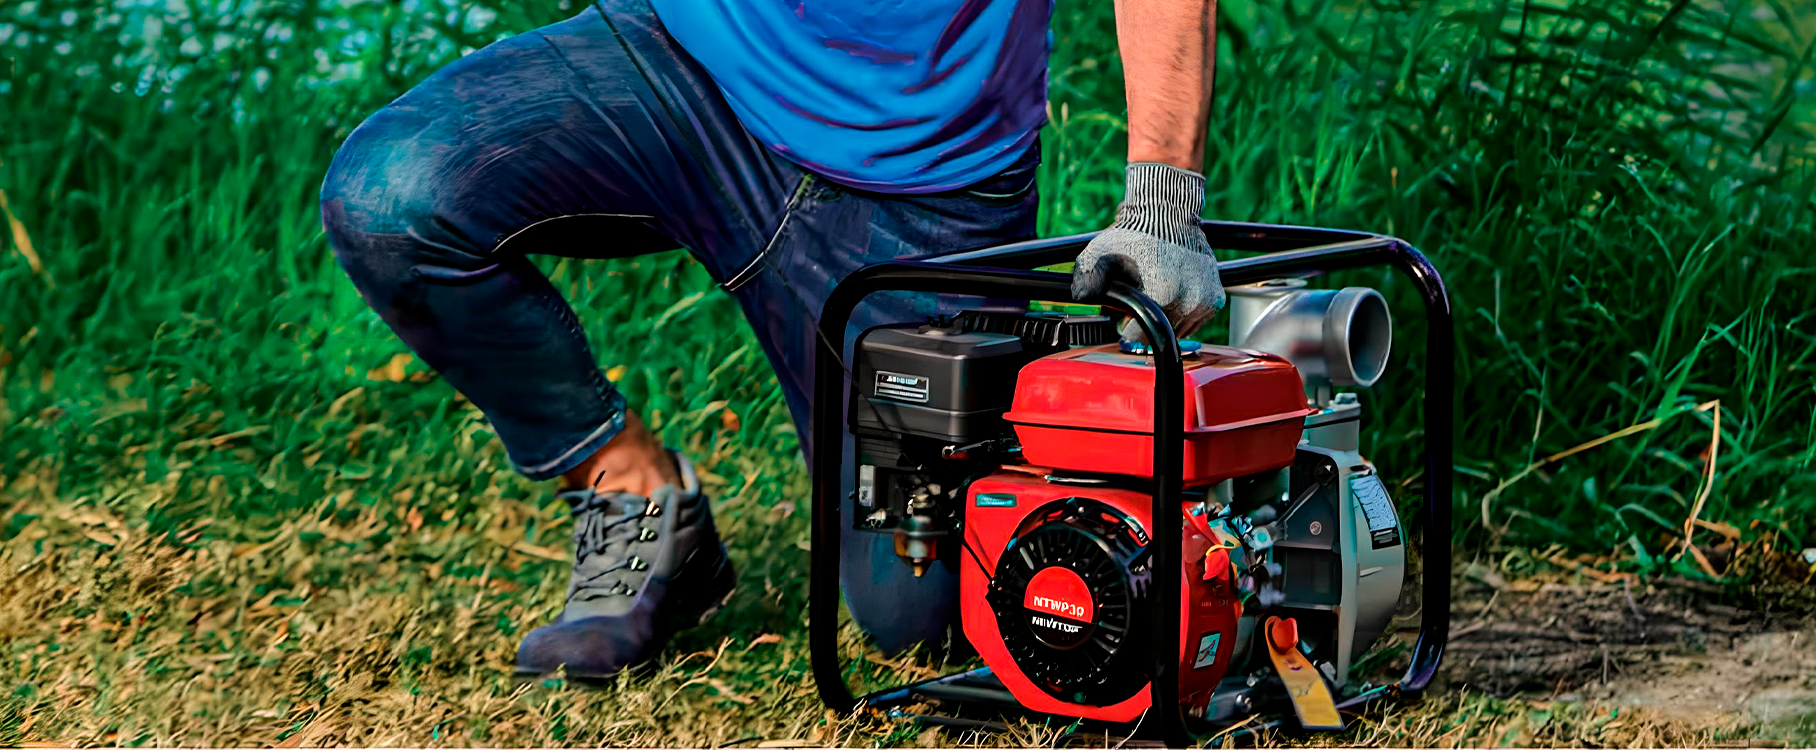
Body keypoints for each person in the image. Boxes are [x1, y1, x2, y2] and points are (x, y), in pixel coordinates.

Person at [319, 0, 1222, 681]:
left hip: (919, 182)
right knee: (394, 197)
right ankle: (634, 490)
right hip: (686, 70)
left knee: (930, 621)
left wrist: (1164, 205)